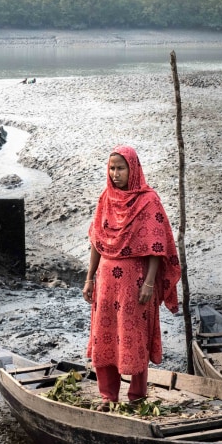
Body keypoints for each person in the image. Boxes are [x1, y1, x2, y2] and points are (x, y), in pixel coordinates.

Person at [83, 145, 181, 410]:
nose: (115, 174)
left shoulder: (148, 201)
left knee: (134, 337)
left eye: (121, 168)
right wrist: (90, 278)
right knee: (104, 335)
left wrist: (150, 282)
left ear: (133, 169)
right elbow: (97, 241)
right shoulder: (105, 198)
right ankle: (108, 396)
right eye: (112, 168)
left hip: (136, 283)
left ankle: (137, 397)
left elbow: (157, 246)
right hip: (106, 282)